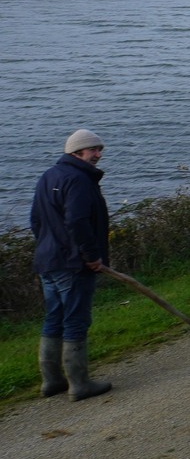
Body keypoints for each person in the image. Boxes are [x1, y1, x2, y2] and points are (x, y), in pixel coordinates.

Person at [31, 129, 114, 401]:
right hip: (74, 264)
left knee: (54, 319)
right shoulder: (79, 180)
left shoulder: (49, 176)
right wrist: (91, 256)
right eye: (93, 150)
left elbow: (36, 220)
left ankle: (52, 382)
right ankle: (79, 384)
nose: (98, 155)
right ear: (76, 152)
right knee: (75, 321)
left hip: (48, 261)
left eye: (99, 149)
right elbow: (77, 222)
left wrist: (49, 247)